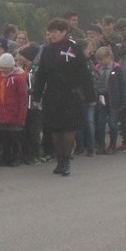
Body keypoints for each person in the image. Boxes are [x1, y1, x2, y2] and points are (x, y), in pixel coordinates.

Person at [31, 18, 96, 176]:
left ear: (64, 32)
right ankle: (59, 160)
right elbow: (41, 75)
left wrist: (90, 95)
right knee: (55, 129)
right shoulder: (46, 51)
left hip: (70, 95)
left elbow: (84, 73)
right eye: (49, 32)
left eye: (54, 32)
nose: (51, 35)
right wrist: (37, 95)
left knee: (67, 128)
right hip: (52, 95)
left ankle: (66, 160)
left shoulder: (73, 49)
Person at [0, 52, 27, 166]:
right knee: (4, 137)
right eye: (1, 68)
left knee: (14, 138)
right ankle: (6, 156)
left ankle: (16, 156)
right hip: (2, 112)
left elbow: (23, 98)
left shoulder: (19, 79)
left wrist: (21, 116)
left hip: (14, 113)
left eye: (5, 68)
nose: (2, 70)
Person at [93, 46, 126, 155]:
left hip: (114, 98)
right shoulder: (97, 68)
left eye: (102, 59)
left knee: (113, 123)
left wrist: (125, 100)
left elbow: (123, 85)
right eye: (98, 59)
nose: (100, 61)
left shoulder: (116, 69)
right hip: (101, 98)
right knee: (100, 122)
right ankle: (101, 145)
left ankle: (112, 145)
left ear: (109, 57)